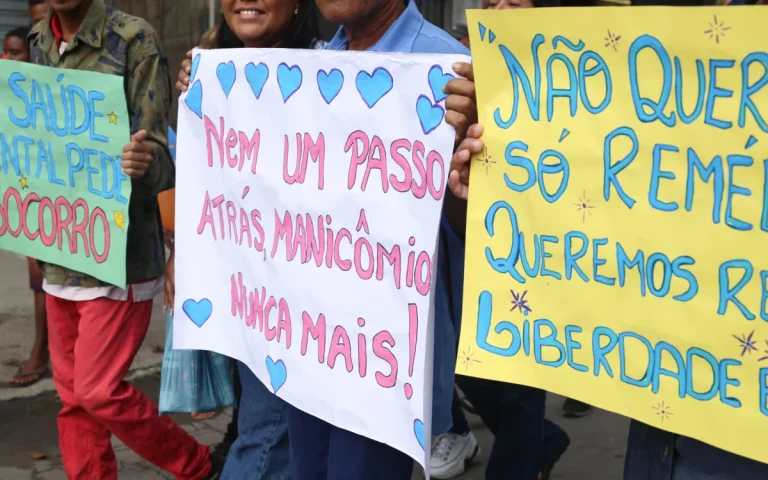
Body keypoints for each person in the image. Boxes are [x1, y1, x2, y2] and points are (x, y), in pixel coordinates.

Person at [280, 1, 475, 478]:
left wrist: (461, 150)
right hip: (307, 342)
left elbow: (482, 231)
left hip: (380, 365)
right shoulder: (317, 64)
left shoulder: (454, 73)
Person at [29, 0, 222, 478]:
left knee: (97, 391)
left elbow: (160, 148)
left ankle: (198, 465)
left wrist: (143, 161)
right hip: (59, 246)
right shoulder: (38, 40)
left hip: (119, 255)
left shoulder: (134, 38)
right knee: (74, 400)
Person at [175, 1, 323, 478]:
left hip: (297, 306)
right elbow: (201, 177)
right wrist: (182, 249)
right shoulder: (211, 72)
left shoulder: (333, 71)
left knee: (264, 437)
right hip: (240, 291)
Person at [2, 25, 51, 390]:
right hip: (26, 197)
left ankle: (44, 349)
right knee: (39, 278)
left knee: (47, 278)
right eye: (5, 51)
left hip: (55, 198)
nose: (7, 59)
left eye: (15, 52)